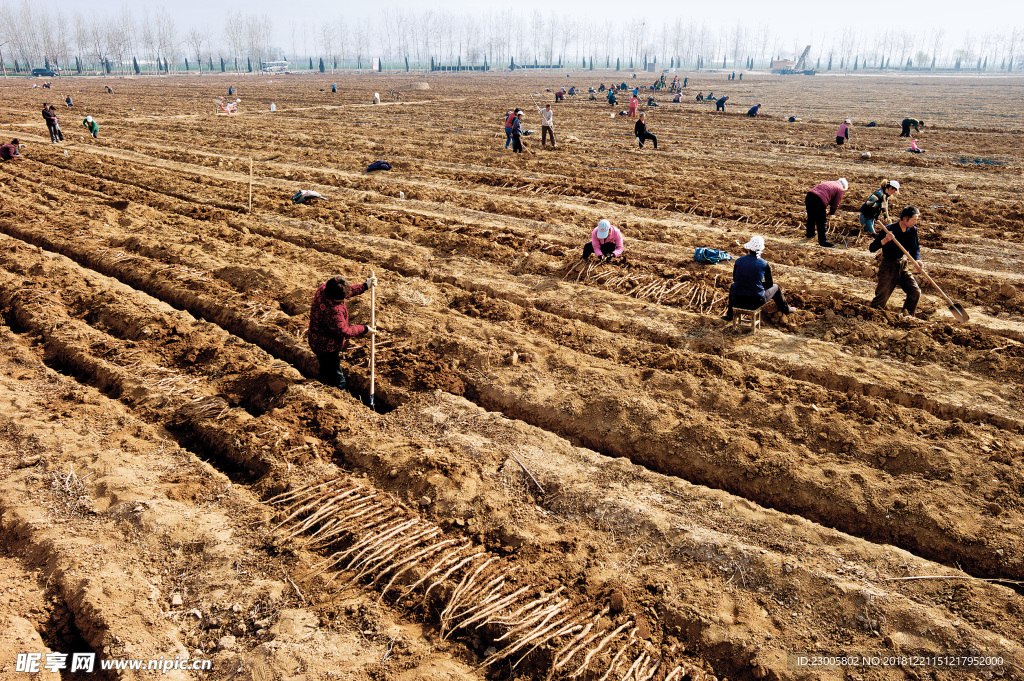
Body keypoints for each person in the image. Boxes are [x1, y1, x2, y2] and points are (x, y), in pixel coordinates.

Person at [307, 274, 378, 390]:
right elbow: (345, 331)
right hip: (326, 347)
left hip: (316, 338)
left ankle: (324, 382)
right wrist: (364, 329)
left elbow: (346, 291)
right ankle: (339, 393)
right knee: (337, 377)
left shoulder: (324, 288)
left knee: (325, 368)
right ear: (337, 297)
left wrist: (365, 286)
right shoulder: (334, 312)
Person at [722, 236, 796, 321]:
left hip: (737, 301)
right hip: (755, 302)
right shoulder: (764, 263)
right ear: (761, 250)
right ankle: (786, 309)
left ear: (749, 249)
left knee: (733, 285)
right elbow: (769, 284)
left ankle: (730, 314)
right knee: (776, 287)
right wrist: (757, 284)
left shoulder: (738, 261)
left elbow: (736, 279)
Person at [869, 206, 923, 316]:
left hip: (902, 265)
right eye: (913, 219)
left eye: (916, 220)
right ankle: (872, 317)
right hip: (888, 266)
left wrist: (917, 259)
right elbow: (872, 248)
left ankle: (907, 316)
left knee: (915, 292)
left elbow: (914, 247)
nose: (915, 222)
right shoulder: (889, 229)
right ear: (904, 219)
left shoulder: (913, 230)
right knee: (881, 299)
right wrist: (885, 240)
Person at [805, 177, 848, 248]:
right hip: (819, 199)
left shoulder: (831, 183)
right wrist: (831, 213)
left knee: (811, 217)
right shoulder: (840, 189)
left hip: (809, 195)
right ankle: (823, 241)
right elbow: (835, 203)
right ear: (844, 187)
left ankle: (810, 234)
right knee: (821, 220)